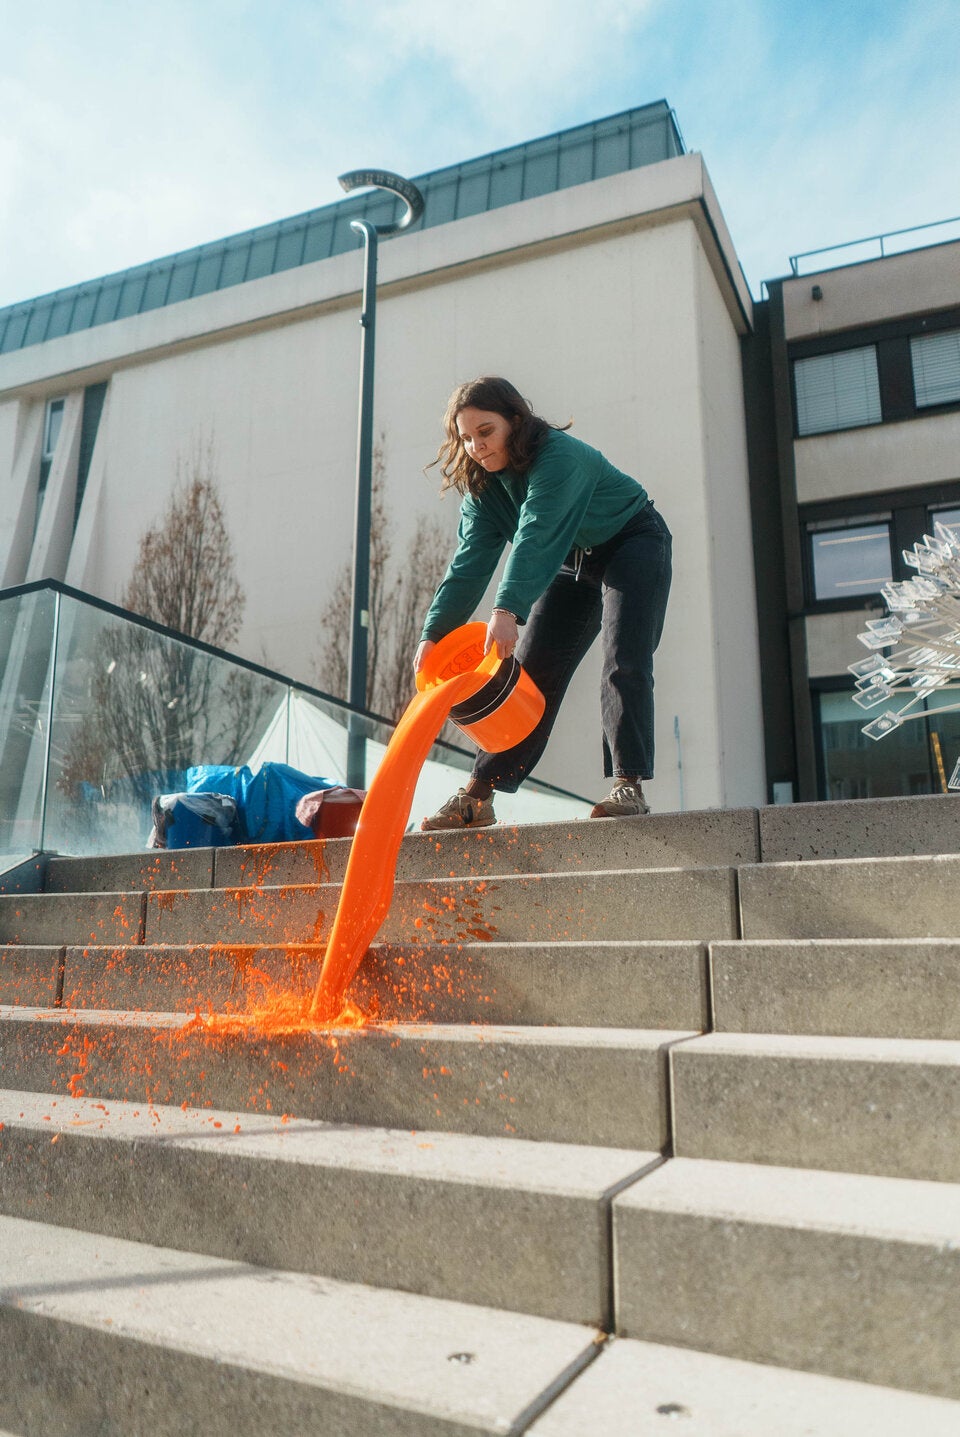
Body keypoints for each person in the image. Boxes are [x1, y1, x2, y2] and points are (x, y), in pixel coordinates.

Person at [414, 376, 672, 829]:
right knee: (529, 676)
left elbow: (537, 532)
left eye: (486, 432)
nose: (476, 447)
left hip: (632, 541)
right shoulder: (483, 488)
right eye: (466, 437)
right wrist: (433, 635)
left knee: (624, 656)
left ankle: (628, 784)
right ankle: (477, 797)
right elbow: (470, 563)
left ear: (516, 420)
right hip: (570, 559)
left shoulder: (559, 457)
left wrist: (506, 609)